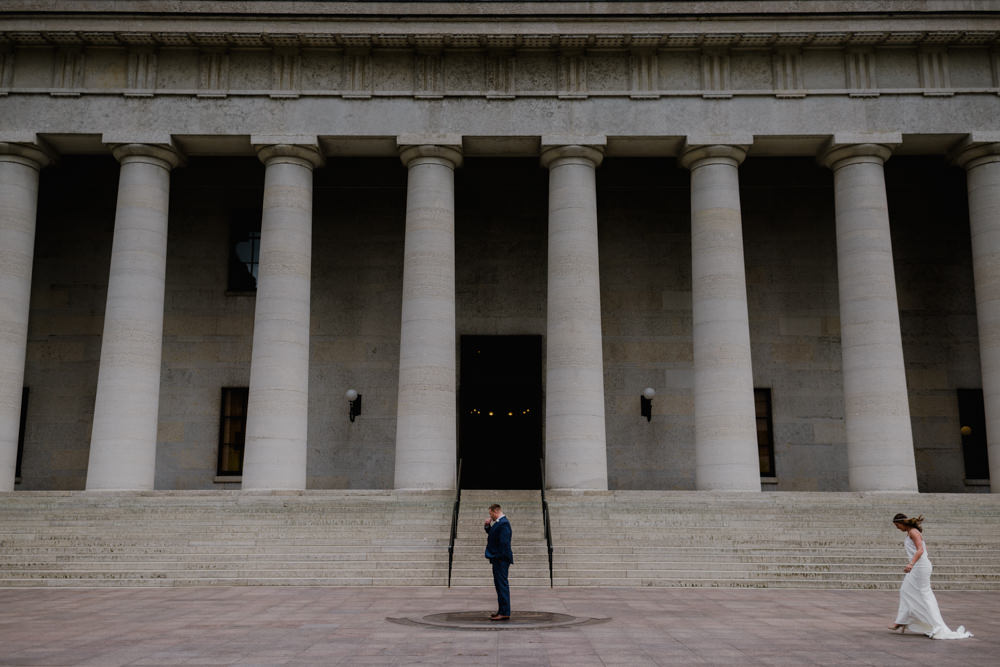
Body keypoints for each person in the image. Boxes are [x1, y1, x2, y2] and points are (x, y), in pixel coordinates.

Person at [888, 513, 972, 639]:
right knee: (905, 591)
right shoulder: (910, 532)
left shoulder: (913, 532)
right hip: (917, 567)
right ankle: (901, 620)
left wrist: (911, 564)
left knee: (924, 595)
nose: (897, 527)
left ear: (903, 523)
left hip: (920, 567)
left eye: (897, 525)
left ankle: (936, 626)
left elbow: (920, 550)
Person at [484, 503, 513, 621]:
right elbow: (493, 536)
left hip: (501, 560)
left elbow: (504, 543)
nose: (490, 516)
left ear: (495, 511)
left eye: (491, 514)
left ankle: (505, 612)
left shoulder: (504, 523)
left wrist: (498, 556)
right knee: (499, 586)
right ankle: (502, 610)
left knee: (502, 586)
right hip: (498, 559)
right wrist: (487, 526)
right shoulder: (499, 523)